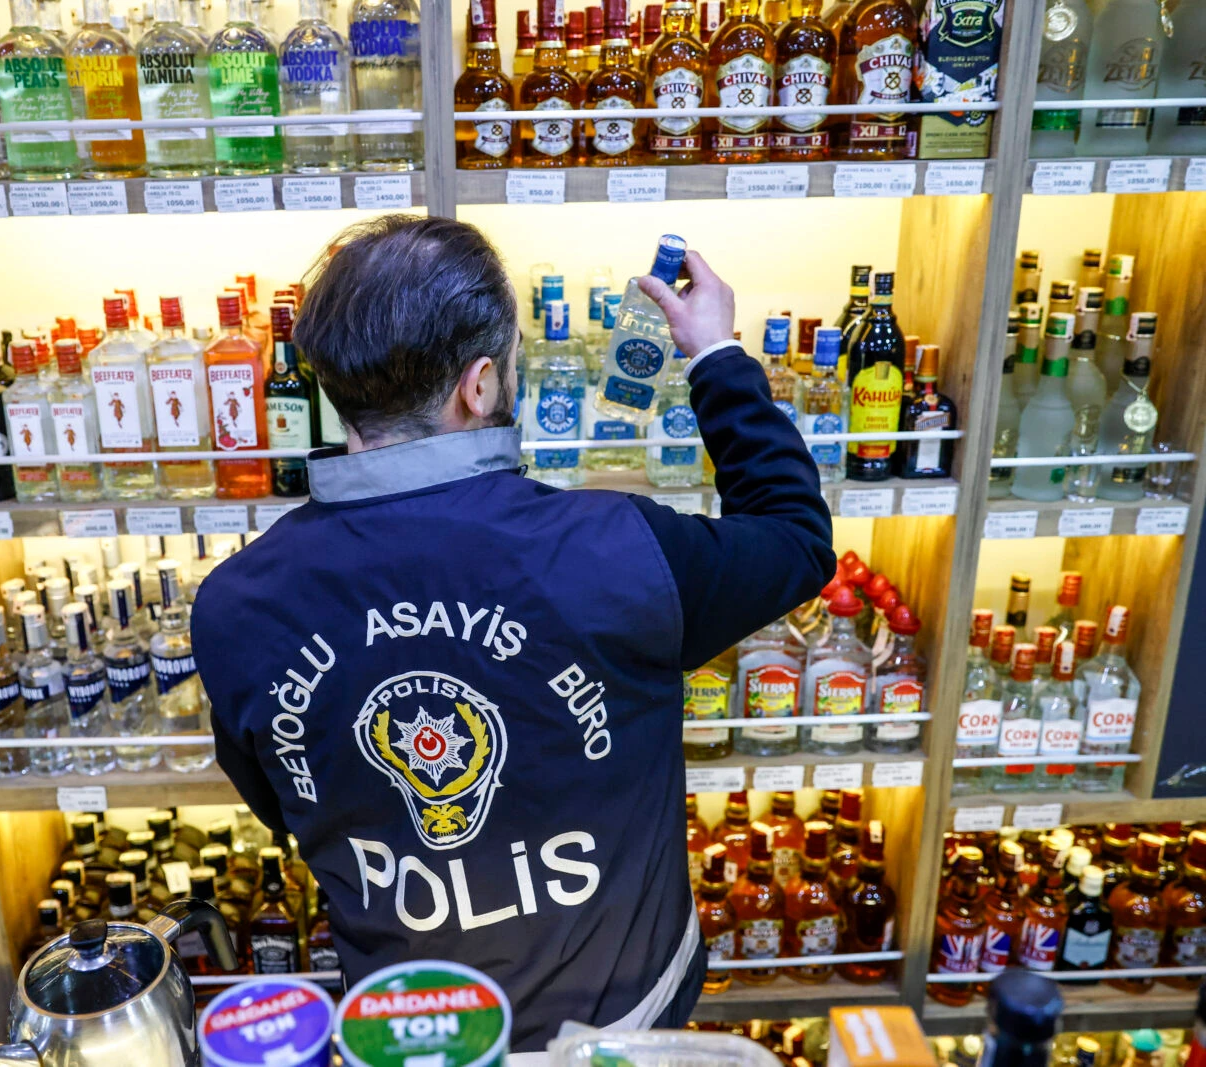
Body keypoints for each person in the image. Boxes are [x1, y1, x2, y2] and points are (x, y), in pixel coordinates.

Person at [191, 215, 834, 1049]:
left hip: (409, 1032)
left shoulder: (236, 603)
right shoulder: (620, 550)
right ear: (481, 384)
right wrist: (714, 355)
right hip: (627, 1027)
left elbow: (287, 802)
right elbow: (795, 537)